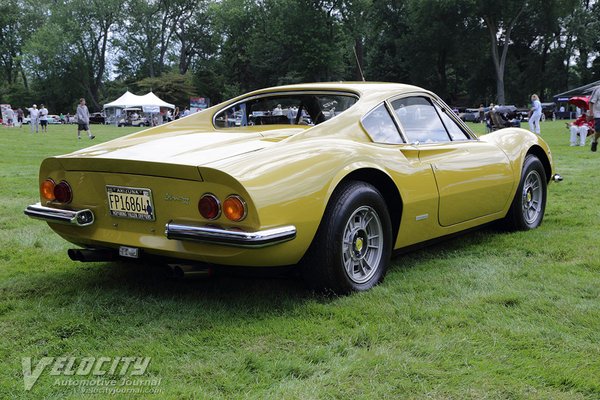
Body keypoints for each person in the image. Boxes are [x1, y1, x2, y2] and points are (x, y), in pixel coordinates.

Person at [589, 85, 600, 152]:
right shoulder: (597, 89)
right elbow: (591, 102)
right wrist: (591, 113)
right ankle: (595, 141)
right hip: (598, 113)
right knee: (598, 130)